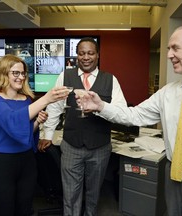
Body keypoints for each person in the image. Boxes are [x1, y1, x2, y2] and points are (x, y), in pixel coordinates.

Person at [79, 25, 182, 216]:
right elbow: (135, 115)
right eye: (168, 49)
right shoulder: (168, 92)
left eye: (175, 48)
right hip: (173, 178)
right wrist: (101, 107)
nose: (169, 55)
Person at [41, 37, 127, 216]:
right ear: (76, 56)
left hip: (100, 147)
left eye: (90, 53)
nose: (85, 57)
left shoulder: (111, 80)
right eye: (81, 53)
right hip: (72, 145)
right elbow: (54, 106)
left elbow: (121, 112)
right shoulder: (65, 76)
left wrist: (100, 108)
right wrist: (47, 135)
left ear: (97, 55)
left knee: (93, 193)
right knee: (70, 195)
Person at [0, 54, 69, 216]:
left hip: (26, 162)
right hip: (2, 165)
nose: (21, 77)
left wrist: (36, 123)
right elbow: (12, 122)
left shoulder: (26, 100)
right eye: (16, 73)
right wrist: (46, 100)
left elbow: (25, 133)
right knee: (4, 211)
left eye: (23, 73)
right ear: (3, 73)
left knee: (24, 209)